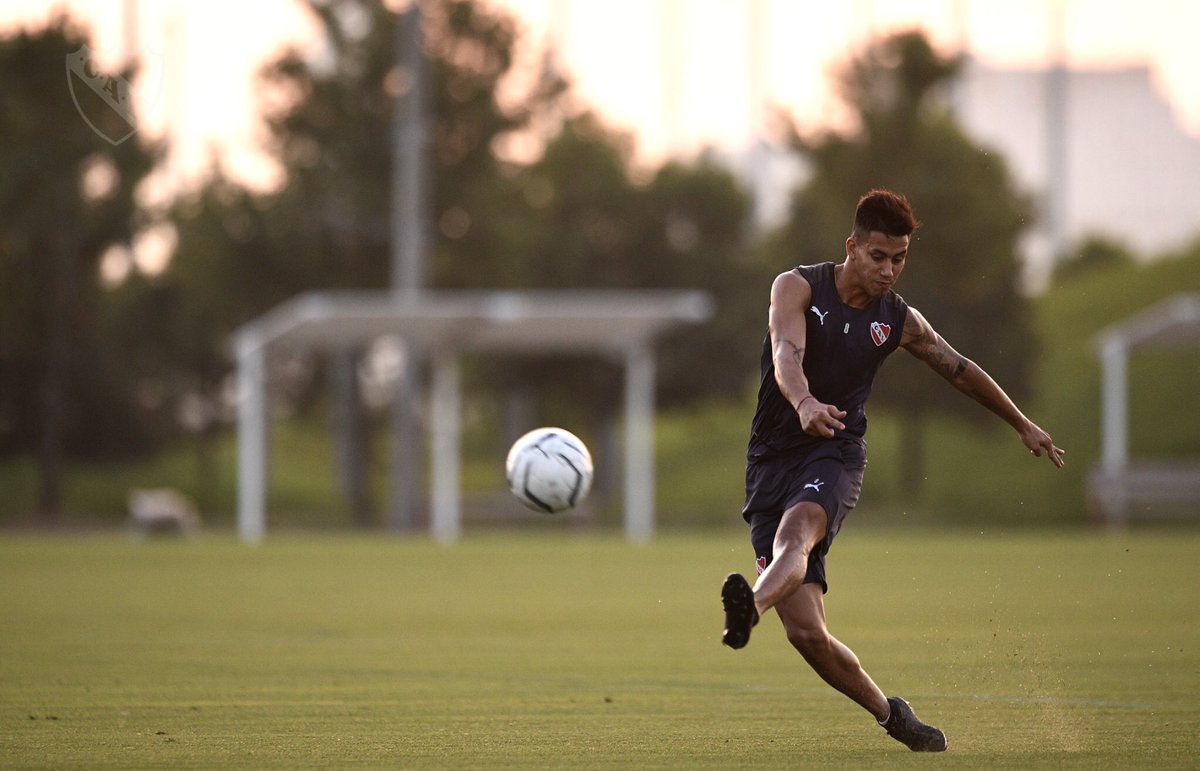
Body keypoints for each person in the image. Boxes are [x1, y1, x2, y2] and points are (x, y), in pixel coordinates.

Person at [720, 189, 1065, 753]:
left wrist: (1022, 423)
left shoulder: (898, 320)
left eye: (899, 258)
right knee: (807, 634)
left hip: (834, 452)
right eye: (878, 256)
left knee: (796, 534)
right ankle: (893, 716)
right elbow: (785, 351)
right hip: (770, 460)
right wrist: (803, 402)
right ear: (852, 247)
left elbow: (959, 368)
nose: (888, 269)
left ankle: (749, 606)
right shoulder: (797, 287)